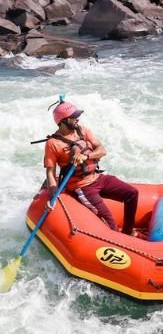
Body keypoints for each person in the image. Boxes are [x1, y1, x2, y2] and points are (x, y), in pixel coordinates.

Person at [43, 97, 139, 235]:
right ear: (63, 121)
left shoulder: (82, 130)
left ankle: (128, 231)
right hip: (82, 187)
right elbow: (50, 173)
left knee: (132, 193)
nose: (78, 118)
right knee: (109, 223)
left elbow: (102, 150)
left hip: (98, 178)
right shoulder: (53, 143)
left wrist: (86, 156)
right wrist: (52, 197)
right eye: (74, 116)